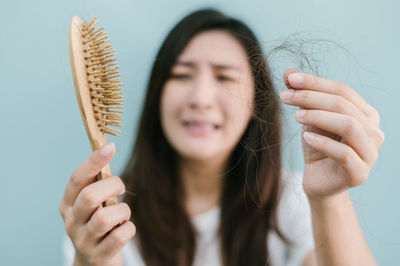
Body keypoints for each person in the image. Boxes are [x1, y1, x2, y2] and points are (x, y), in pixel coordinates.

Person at [59, 8, 384, 266]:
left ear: (257, 102)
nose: (201, 97)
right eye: (182, 75)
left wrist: (328, 199)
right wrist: (91, 262)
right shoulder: (105, 218)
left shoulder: (290, 203)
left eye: (224, 77)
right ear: (158, 96)